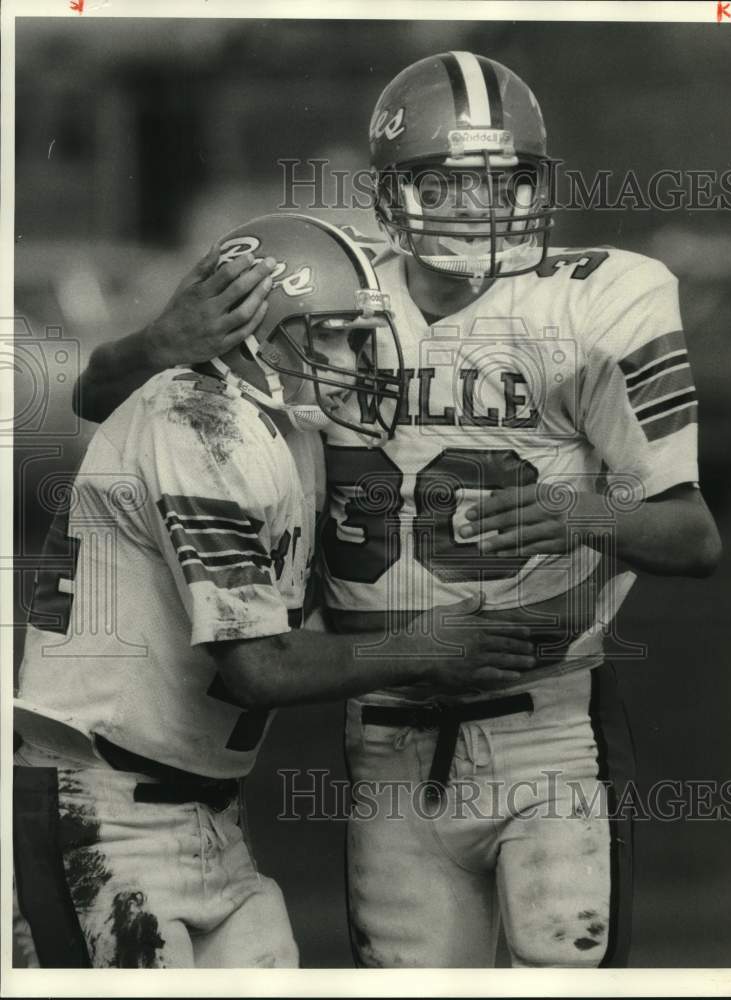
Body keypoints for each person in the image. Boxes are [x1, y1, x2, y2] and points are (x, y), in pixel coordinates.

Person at [68, 52, 722, 969]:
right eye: (447, 185)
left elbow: (695, 537)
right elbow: (107, 401)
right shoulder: (332, 291)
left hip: (546, 719)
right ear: (389, 196)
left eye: (502, 183)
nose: (476, 210)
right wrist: (156, 341)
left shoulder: (601, 299)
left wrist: (583, 518)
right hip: (382, 726)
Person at [13, 212, 538, 969]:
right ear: (254, 334)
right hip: (98, 809)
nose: (357, 358)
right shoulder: (199, 423)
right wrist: (429, 648)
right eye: (331, 335)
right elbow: (258, 667)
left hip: (204, 814)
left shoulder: (287, 432)